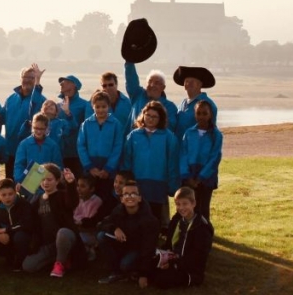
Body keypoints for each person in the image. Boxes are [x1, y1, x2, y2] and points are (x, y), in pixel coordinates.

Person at [122, 101, 179, 229]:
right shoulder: (134, 135)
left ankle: (153, 245)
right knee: (136, 216)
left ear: (161, 119)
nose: (150, 119)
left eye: (154, 117)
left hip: (158, 183)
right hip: (138, 183)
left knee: (154, 217)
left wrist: (172, 185)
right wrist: (127, 182)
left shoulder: (168, 137)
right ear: (143, 115)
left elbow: (172, 163)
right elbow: (127, 160)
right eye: (148, 115)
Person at [21, 163, 83, 277]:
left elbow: (72, 202)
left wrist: (70, 184)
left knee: (62, 233)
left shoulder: (62, 195)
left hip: (66, 237)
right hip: (49, 244)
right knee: (28, 266)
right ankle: (59, 259)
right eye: (43, 179)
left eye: (49, 179)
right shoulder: (37, 201)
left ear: (57, 180)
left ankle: (61, 263)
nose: (45, 182)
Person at [96, 180, 159, 286]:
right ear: (121, 199)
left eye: (134, 193)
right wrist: (114, 228)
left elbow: (148, 247)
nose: (130, 197)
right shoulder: (118, 210)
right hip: (123, 246)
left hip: (139, 249)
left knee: (125, 265)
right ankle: (115, 271)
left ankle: (135, 272)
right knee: (101, 236)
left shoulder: (149, 219)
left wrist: (144, 274)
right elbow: (103, 223)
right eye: (126, 194)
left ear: (139, 198)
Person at [150, 187, 214, 288]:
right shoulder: (177, 221)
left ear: (193, 204)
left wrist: (173, 263)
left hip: (189, 268)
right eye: (178, 204)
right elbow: (169, 244)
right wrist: (163, 254)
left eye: (185, 204)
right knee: (148, 264)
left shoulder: (201, 226)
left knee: (160, 281)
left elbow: (198, 256)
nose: (181, 208)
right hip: (173, 259)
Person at [77, 91, 125, 203]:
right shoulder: (86, 124)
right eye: (97, 107)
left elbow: (118, 147)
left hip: (108, 169)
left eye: (104, 107)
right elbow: (81, 145)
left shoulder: (116, 124)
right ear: (93, 107)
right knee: (90, 198)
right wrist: (89, 166)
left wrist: (108, 168)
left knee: (106, 198)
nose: (101, 110)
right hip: (91, 168)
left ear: (108, 106)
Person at [180, 100, 224, 221]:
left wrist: (200, 178)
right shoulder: (189, 133)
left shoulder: (216, 135)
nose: (201, 116)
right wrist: (187, 176)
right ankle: (187, 234)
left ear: (210, 115)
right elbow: (183, 154)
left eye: (205, 113)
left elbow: (215, 157)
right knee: (187, 207)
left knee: (202, 208)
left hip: (206, 178)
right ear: (195, 114)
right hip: (189, 175)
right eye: (198, 113)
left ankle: (204, 234)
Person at [3, 64, 46, 175]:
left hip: (32, 150)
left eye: (31, 78)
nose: (27, 80)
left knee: (32, 185)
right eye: (25, 77)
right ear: (21, 79)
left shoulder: (41, 100)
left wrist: (38, 81)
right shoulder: (11, 99)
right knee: (12, 184)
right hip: (12, 150)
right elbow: (0, 118)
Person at [124, 62, 178, 135]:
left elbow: (170, 127)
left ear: (163, 87)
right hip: (134, 142)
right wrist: (129, 61)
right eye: (150, 81)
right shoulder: (138, 95)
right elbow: (131, 79)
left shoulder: (170, 107)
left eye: (157, 83)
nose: (152, 85)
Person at [13, 113, 63, 184]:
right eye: (36, 128)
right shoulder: (24, 144)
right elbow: (19, 165)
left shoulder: (53, 145)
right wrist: (19, 181)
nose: (39, 131)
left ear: (46, 128)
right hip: (29, 182)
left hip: (47, 183)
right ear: (32, 126)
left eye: (42, 129)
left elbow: (58, 165)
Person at [56, 75, 89, 177]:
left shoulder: (85, 105)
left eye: (64, 82)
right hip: (59, 152)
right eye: (60, 83)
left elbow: (87, 128)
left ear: (73, 85)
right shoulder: (57, 106)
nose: (61, 85)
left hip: (76, 152)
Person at [174, 66, 219, 136]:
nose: (188, 84)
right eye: (186, 81)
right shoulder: (182, 104)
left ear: (199, 84)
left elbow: (212, 130)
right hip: (180, 146)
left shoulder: (208, 104)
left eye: (192, 82)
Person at [72, 174, 105, 262]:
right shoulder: (78, 200)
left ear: (92, 189)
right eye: (78, 185)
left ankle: (90, 249)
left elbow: (90, 220)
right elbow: (75, 214)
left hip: (90, 233)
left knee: (77, 239)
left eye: (82, 186)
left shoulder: (96, 201)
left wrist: (79, 223)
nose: (78, 189)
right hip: (78, 229)